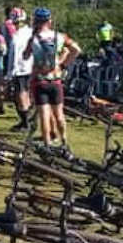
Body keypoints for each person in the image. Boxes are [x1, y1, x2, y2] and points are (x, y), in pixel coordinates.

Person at [23, 8, 82, 147]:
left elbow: (25, 56)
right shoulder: (60, 36)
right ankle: (64, 141)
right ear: (49, 21)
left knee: (44, 114)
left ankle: (47, 143)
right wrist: (63, 64)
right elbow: (77, 50)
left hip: (39, 80)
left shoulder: (33, 39)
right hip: (55, 79)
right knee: (59, 113)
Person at [8, 8, 34, 131]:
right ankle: (27, 120)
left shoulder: (17, 36)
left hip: (21, 70)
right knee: (25, 94)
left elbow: (15, 57)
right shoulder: (31, 32)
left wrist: (10, 73)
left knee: (21, 95)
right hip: (30, 68)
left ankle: (26, 122)